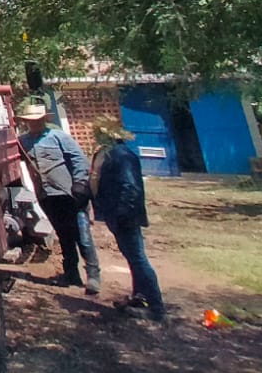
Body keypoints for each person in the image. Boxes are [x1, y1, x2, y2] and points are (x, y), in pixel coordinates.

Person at [16, 96, 101, 295]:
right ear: (26, 122)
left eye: (37, 119)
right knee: (64, 235)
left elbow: (79, 160)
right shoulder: (23, 142)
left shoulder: (58, 137)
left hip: (71, 195)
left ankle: (93, 277)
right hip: (48, 197)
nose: (34, 123)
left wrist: (80, 184)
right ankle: (71, 274)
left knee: (83, 236)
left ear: (44, 119)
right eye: (30, 120)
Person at [91, 115, 166, 321]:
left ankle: (156, 309)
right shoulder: (111, 154)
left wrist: (121, 213)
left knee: (138, 259)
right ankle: (140, 297)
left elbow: (129, 187)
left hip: (125, 215)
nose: (95, 136)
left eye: (99, 133)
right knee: (133, 258)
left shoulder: (121, 156)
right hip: (118, 214)